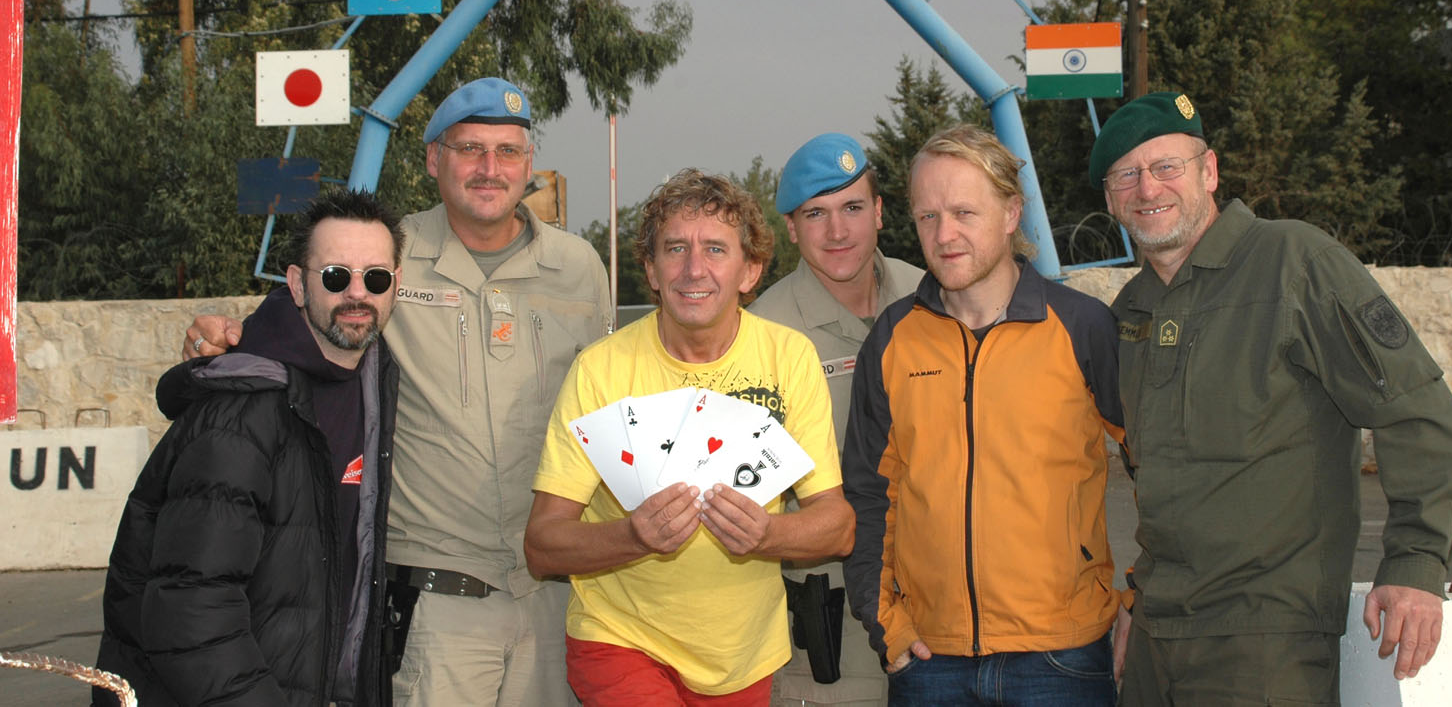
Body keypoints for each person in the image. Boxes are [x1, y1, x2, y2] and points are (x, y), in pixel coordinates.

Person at [184, 77, 613, 707]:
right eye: (469, 149)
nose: (489, 169)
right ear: (435, 159)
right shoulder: (389, 253)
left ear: (530, 166)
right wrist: (220, 339)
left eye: (508, 151)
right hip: (438, 608)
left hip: (558, 596)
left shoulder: (579, 267)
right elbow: (301, 325)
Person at [1090, 91, 1452, 704]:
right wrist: (1138, 599)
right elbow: (1158, 483)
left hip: (1267, 643)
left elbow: (1414, 409)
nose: (1147, 188)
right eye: (1127, 176)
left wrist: (1415, 564)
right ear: (1109, 199)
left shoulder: (1295, 262)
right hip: (1156, 644)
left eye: (1167, 166)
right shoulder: (1127, 314)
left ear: (1209, 171)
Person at [524, 169, 855, 706]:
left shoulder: (788, 357)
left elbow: (837, 527)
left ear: (751, 270)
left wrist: (766, 534)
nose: (693, 268)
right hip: (619, 640)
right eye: (675, 249)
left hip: (741, 655)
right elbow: (541, 546)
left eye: (716, 250)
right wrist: (633, 536)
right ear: (651, 270)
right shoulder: (599, 370)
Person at [843, 124, 1126, 707]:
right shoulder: (894, 337)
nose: (945, 235)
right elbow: (869, 494)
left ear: (1011, 213)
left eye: (965, 212)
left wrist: (1144, 600)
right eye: (927, 217)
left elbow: (1166, 470)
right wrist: (884, 624)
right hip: (927, 663)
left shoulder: (1082, 327)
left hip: (1063, 657)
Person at [95, 188, 405, 706]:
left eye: (376, 278)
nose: (358, 294)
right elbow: (191, 608)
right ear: (297, 285)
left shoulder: (376, 383)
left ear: (396, 287)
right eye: (335, 276)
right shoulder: (242, 410)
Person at [748, 132, 922, 706]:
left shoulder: (930, 294)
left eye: (852, 207)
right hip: (834, 619)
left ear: (878, 210)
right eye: (815, 214)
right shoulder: (764, 336)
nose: (838, 231)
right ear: (791, 229)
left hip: (946, 596)